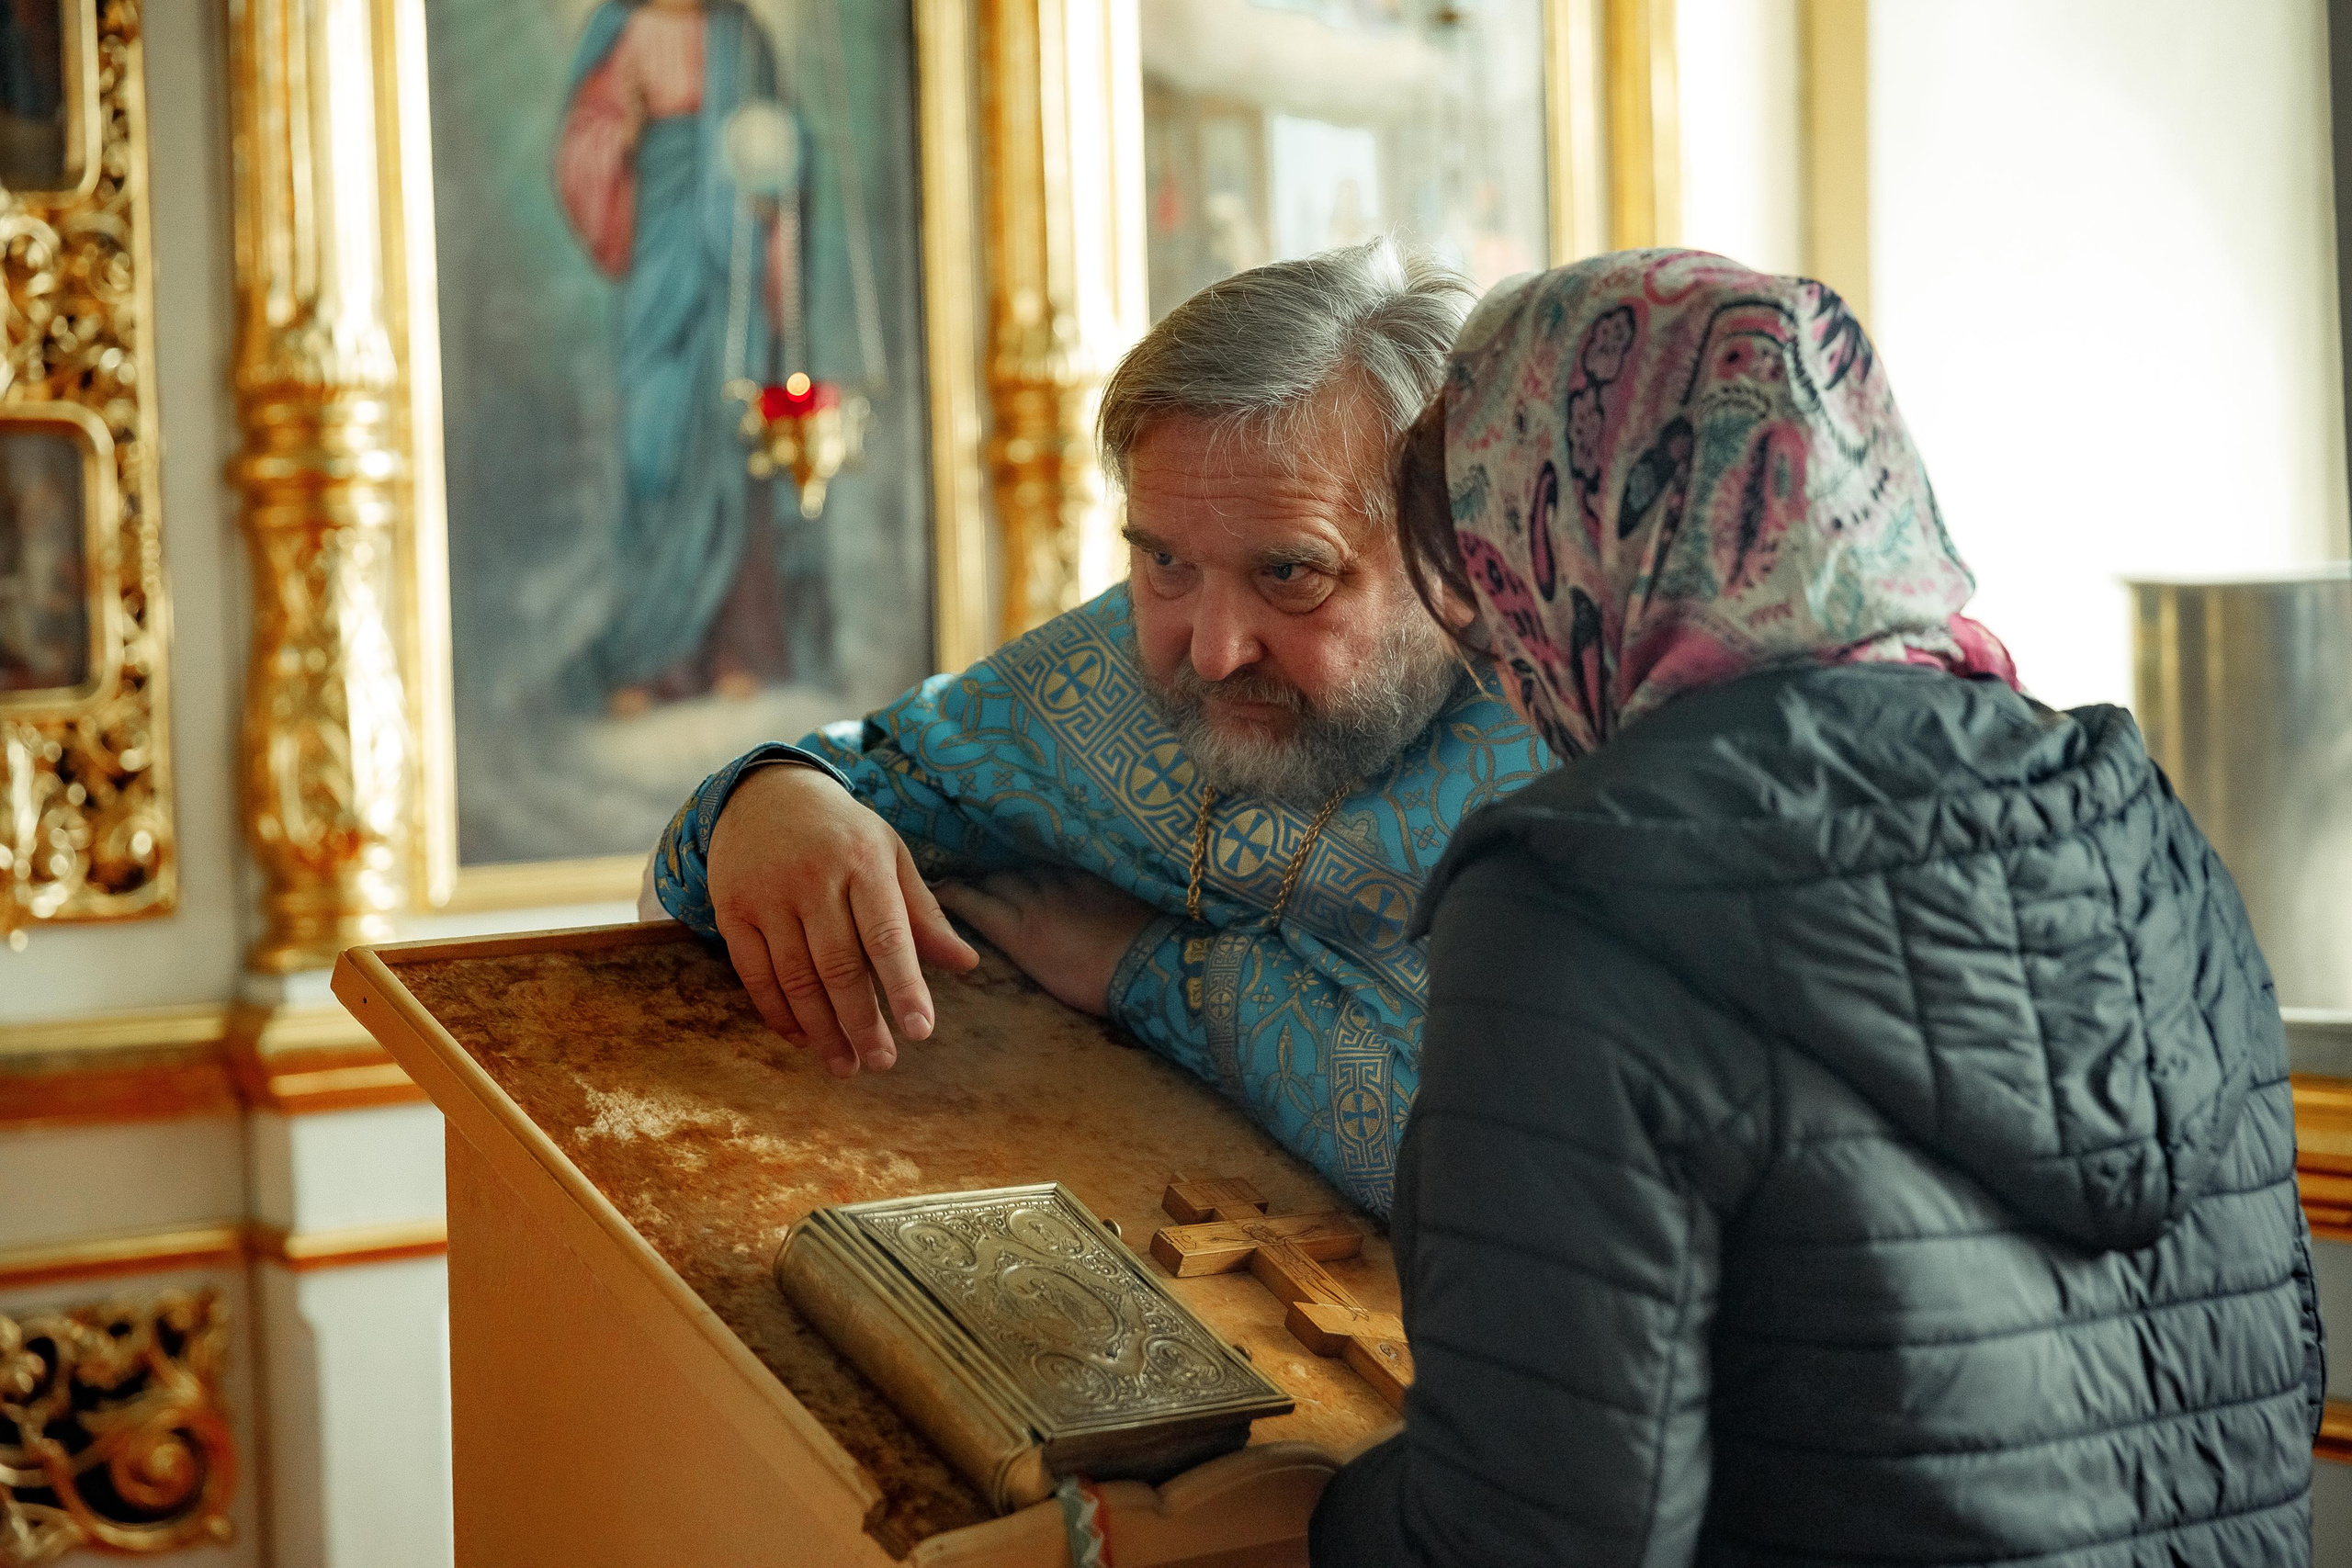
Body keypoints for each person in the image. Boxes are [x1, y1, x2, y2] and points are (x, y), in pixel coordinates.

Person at [1312, 250, 2321, 1564]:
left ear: (1575, 522)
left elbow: (1532, 1538)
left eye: (1483, 570)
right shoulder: (2144, 830)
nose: (1493, 651)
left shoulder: (1576, 897)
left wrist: (1309, 1502)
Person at [640, 239, 1551, 1213]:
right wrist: (772, 799)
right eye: (1164, 563)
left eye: (1289, 574)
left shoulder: (1579, 760)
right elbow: (843, 798)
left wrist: (1153, 969)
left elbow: (1513, 1177)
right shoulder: (1108, 668)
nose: (1210, 654)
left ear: (1452, 556)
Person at [556, 0, 808, 715]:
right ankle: (655, 652)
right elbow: (583, 144)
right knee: (653, 445)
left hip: (732, 257)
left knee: (733, 444)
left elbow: (787, 148)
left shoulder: (742, 36)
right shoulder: (624, 29)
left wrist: (770, 179)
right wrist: (622, 135)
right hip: (660, 241)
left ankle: (735, 647)